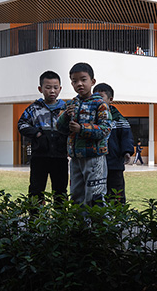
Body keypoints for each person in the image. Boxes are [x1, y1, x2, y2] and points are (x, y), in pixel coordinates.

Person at [55, 62, 112, 206]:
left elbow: (105, 129)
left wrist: (82, 129)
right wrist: (65, 116)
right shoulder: (70, 104)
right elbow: (59, 128)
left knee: (94, 195)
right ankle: (79, 220)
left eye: (83, 79)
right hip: (75, 158)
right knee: (76, 194)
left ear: (92, 81)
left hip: (94, 157)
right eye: (75, 81)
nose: (79, 84)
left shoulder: (100, 104)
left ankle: (96, 220)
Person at [17, 71, 69, 210]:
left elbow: (72, 127)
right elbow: (21, 125)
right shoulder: (34, 108)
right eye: (48, 87)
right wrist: (37, 134)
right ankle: (35, 219)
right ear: (40, 89)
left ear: (60, 89)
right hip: (39, 156)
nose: (52, 91)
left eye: (55, 87)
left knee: (60, 191)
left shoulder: (66, 109)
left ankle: (61, 218)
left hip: (60, 157)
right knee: (36, 190)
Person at [93, 83, 135, 204]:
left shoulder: (118, 119)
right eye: (95, 98)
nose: (98, 101)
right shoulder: (91, 117)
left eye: (101, 97)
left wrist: (127, 152)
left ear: (110, 99)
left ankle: (118, 214)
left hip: (114, 163)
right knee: (97, 193)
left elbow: (126, 137)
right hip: (95, 164)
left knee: (116, 193)